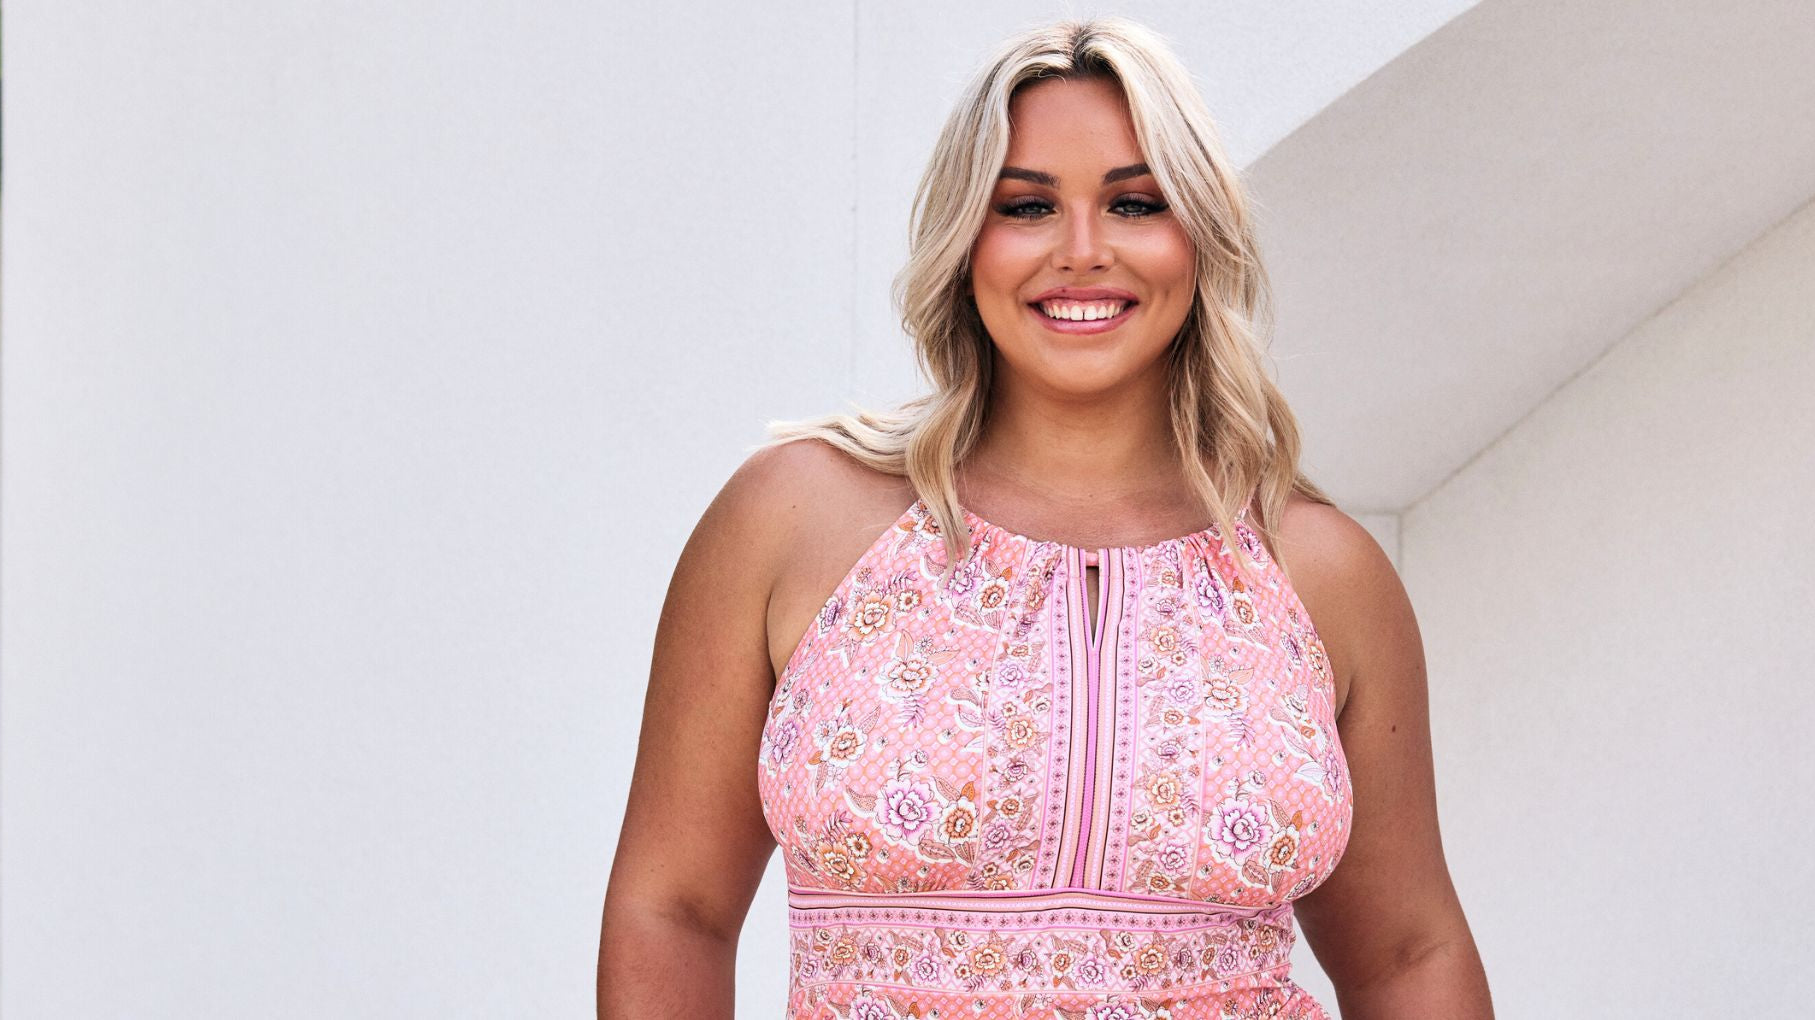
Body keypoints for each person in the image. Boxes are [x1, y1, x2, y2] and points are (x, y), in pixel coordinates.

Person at [599, 15, 1491, 1019]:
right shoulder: (794, 520)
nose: (1081, 252)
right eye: (1026, 206)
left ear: (1196, 233)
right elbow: (670, 910)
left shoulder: (1319, 571)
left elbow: (1408, 954)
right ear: (965, 238)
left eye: (1134, 202)